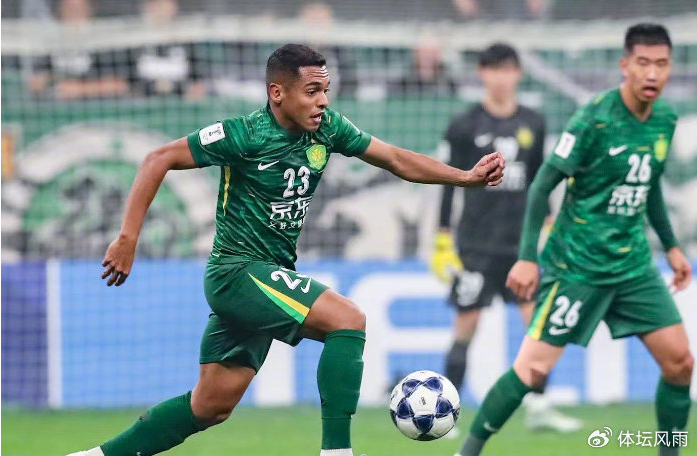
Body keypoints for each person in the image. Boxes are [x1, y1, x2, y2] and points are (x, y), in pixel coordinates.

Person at [66, 43, 505, 456]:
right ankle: (337, 450)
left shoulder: (328, 129)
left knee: (210, 406)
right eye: (312, 91)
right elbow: (157, 159)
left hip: (267, 275)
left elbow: (394, 158)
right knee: (347, 319)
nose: (323, 102)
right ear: (278, 93)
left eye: (326, 91)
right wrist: (128, 238)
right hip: (237, 271)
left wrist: (464, 177)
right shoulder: (243, 135)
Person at [456, 23, 693, 456]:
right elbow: (542, 185)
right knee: (532, 370)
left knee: (680, 362)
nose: (652, 73)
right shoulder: (594, 118)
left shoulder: (664, 119)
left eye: (661, 64)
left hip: (634, 266)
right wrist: (528, 257)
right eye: (643, 63)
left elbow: (649, 184)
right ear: (625, 65)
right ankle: (467, 451)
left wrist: (672, 245)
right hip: (577, 266)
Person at [432, 42, 581, 436]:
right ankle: (446, 414)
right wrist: (442, 237)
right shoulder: (464, 124)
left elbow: (541, 180)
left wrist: (550, 225)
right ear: (482, 73)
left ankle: (539, 407)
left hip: (521, 245)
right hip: (475, 245)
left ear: (518, 74)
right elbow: (447, 181)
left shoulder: (534, 122)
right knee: (466, 324)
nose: (501, 77)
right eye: (493, 69)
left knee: (537, 325)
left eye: (508, 69)